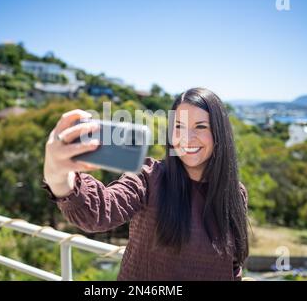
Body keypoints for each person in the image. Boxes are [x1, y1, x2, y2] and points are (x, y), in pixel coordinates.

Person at [42, 87, 249, 280]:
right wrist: (59, 176)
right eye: (179, 126)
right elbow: (99, 212)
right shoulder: (149, 178)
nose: (187, 138)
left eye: (201, 126)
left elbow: (232, 268)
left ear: (219, 134)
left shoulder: (236, 194)